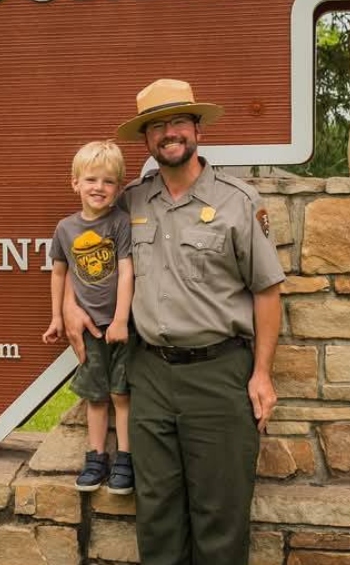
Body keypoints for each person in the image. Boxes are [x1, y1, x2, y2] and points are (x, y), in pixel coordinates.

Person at [64, 79, 285, 564]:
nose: (168, 133)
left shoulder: (237, 202)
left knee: (220, 517)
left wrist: (262, 374)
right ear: (146, 140)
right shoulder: (132, 203)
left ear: (197, 129)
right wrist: (69, 304)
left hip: (219, 375)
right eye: (156, 126)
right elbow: (84, 247)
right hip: (149, 375)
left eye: (177, 122)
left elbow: (267, 291)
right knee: (158, 514)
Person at [43, 139, 137, 495]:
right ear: (75, 183)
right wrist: (57, 317)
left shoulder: (120, 223)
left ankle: (125, 458)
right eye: (91, 180)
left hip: (119, 328)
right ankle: (96, 458)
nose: (99, 188)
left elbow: (126, 272)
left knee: (122, 395)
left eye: (108, 181)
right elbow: (58, 274)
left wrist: (120, 320)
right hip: (89, 330)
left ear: (119, 187)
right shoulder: (65, 229)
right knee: (96, 397)